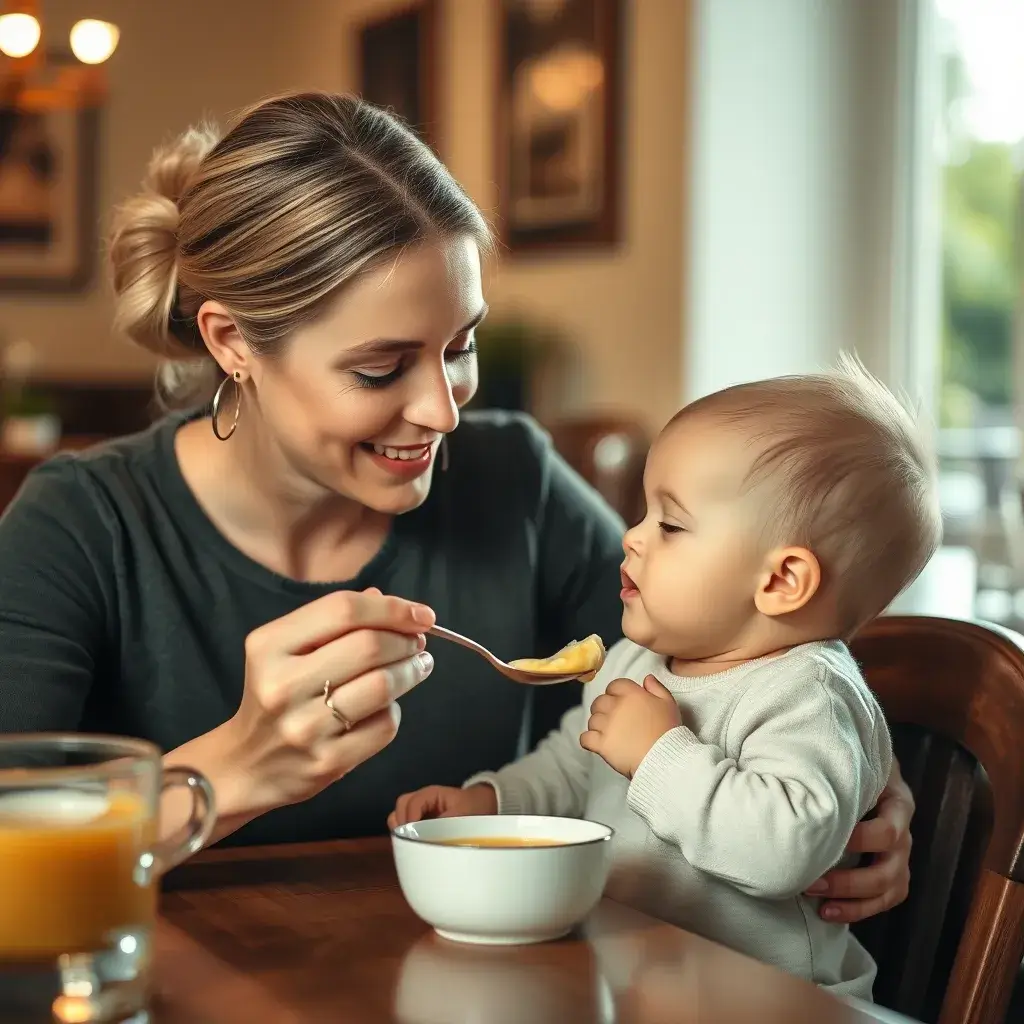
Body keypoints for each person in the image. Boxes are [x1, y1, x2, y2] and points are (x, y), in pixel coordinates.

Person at [0, 91, 910, 926]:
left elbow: (737, 664)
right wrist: (238, 766)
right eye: (380, 368)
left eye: (461, 346)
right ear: (232, 341)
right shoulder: (80, 526)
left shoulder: (514, 480)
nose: (444, 412)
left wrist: (869, 796)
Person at [392, 357, 941, 998]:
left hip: (772, 1003)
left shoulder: (808, 696)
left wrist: (659, 754)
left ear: (781, 580)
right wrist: (492, 802)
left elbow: (786, 849)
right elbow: (573, 766)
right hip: (634, 982)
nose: (631, 537)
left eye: (671, 525)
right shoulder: (634, 659)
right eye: (644, 514)